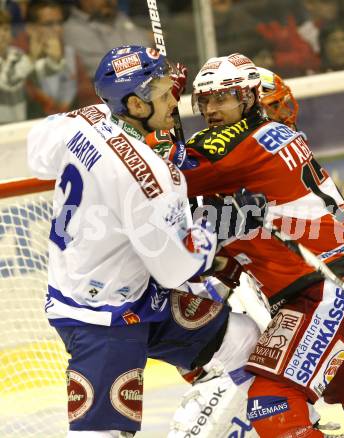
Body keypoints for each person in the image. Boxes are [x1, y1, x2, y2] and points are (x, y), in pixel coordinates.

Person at [165, 54, 344, 437]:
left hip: (326, 287)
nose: (211, 109)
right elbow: (233, 231)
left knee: (273, 402)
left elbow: (164, 176)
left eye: (223, 98)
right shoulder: (271, 140)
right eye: (204, 101)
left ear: (250, 98)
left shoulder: (236, 144)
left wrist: (161, 121)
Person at [26, 45, 265, 437]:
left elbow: (38, 149)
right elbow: (176, 267)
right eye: (165, 95)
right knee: (103, 433)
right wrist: (219, 224)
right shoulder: (155, 178)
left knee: (244, 340)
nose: (176, 101)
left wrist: (146, 120)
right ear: (135, 105)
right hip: (101, 318)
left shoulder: (83, 120)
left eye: (172, 89)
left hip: (129, 296)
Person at [14, 0, 97, 118]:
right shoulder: (16, 56)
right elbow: (34, 101)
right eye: (49, 24)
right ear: (30, 28)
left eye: (60, 23)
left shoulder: (69, 54)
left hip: (67, 123)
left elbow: (88, 96)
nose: (57, 29)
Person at [63, 0, 149, 78]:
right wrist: (145, 58)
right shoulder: (73, 30)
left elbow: (146, 46)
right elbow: (104, 68)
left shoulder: (121, 18)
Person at [0, 8, 33, 124]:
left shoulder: (18, 54)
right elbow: (7, 83)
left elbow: (28, 70)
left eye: (5, 29)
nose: (2, 34)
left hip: (20, 119)